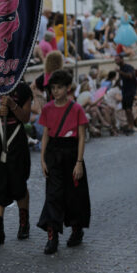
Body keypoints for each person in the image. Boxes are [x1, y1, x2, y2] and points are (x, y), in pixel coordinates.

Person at [37, 70, 90, 254]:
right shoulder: (47, 108)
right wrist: (43, 159)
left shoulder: (77, 109)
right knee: (53, 195)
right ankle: (52, 236)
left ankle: (76, 230)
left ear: (68, 88)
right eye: (53, 88)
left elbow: (82, 137)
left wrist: (79, 162)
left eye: (60, 87)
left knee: (74, 194)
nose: (56, 91)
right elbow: (45, 135)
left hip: (71, 152)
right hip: (53, 153)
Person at [0, 82, 33, 247]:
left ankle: (24, 222)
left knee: (18, 182)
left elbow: (25, 118)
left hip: (16, 139)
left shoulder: (23, 89)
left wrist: (12, 105)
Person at [115, 54, 137, 134]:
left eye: (117, 59)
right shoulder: (121, 68)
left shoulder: (128, 67)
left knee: (128, 109)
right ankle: (129, 125)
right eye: (115, 60)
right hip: (124, 91)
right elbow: (122, 78)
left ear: (122, 59)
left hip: (130, 90)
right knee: (126, 109)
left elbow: (130, 76)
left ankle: (131, 125)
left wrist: (119, 72)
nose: (116, 61)